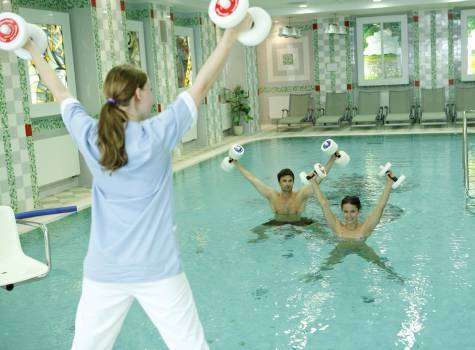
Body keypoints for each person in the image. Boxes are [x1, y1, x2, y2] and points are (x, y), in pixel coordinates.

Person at [23, 14, 252, 350]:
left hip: (104, 271)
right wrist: (231, 35)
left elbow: (60, 93)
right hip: (158, 269)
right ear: (140, 94)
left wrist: (32, 51)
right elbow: (200, 85)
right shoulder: (158, 134)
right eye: (149, 89)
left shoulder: (90, 136)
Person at [232, 155, 338, 226]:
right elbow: (253, 179)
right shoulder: (272, 195)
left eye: (290, 181)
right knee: (257, 232)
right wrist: (236, 163)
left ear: (293, 182)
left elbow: (320, 177)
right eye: (284, 181)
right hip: (278, 223)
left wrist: (332, 158)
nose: (287, 184)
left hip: (300, 223)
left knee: (320, 228)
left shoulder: (301, 195)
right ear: (279, 182)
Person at [310, 171, 395, 241]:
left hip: (362, 250)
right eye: (346, 211)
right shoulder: (337, 227)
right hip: (340, 250)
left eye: (352, 211)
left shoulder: (365, 228)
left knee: (379, 262)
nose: (349, 215)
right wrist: (313, 181)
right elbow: (323, 204)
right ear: (342, 211)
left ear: (359, 211)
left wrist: (389, 182)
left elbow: (380, 206)